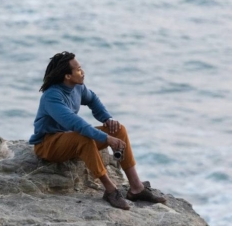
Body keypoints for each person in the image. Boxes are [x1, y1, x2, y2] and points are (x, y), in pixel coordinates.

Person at [29, 51, 167, 210]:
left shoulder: (77, 88)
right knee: (83, 137)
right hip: (48, 144)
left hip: (68, 139)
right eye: (78, 69)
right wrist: (106, 138)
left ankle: (136, 188)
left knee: (118, 129)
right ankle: (110, 190)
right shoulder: (52, 97)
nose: (83, 71)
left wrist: (106, 119)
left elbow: (92, 99)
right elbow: (76, 123)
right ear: (67, 76)